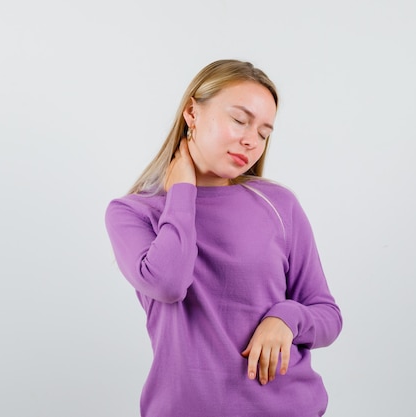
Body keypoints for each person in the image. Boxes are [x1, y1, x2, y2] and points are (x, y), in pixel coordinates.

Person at [104, 59, 342, 417]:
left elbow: (327, 315)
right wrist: (182, 188)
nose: (251, 141)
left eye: (264, 133)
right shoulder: (133, 213)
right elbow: (169, 283)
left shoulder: (279, 204)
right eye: (239, 120)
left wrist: (286, 318)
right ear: (192, 113)